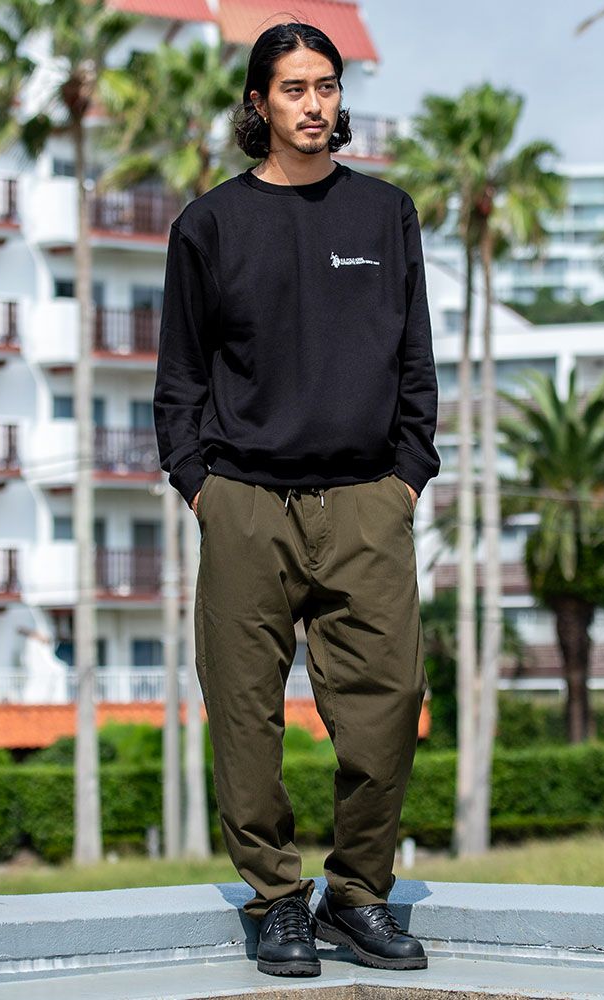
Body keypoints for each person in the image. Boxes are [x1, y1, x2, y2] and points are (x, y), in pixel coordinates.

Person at [153, 20, 440, 979]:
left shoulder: (385, 213)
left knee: (388, 705)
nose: (314, 105)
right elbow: (180, 378)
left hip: (367, 500)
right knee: (245, 716)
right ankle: (277, 901)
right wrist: (199, 486)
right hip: (244, 502)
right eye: (294, 89)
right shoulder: (209, 226)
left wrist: (407, 477)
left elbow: (414, 359)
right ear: (259, 103)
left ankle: (357, 897)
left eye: (326, 86)